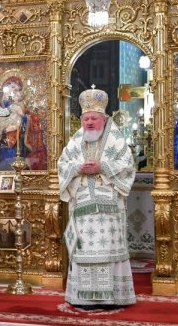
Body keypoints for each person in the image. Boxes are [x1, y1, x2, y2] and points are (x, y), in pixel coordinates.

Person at [58, 89, 137, 307]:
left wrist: (103, 167)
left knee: (108, 251)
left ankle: (113, 298)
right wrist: (77, 167)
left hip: (109, 207)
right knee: (84, 251)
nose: (90, 122)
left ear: (103, 119)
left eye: (94, 118)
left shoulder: (116, 139)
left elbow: (128, 166)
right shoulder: (75, 141)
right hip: (82, 205)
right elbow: (62, 164)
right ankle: (83, 298)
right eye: (86, 119)